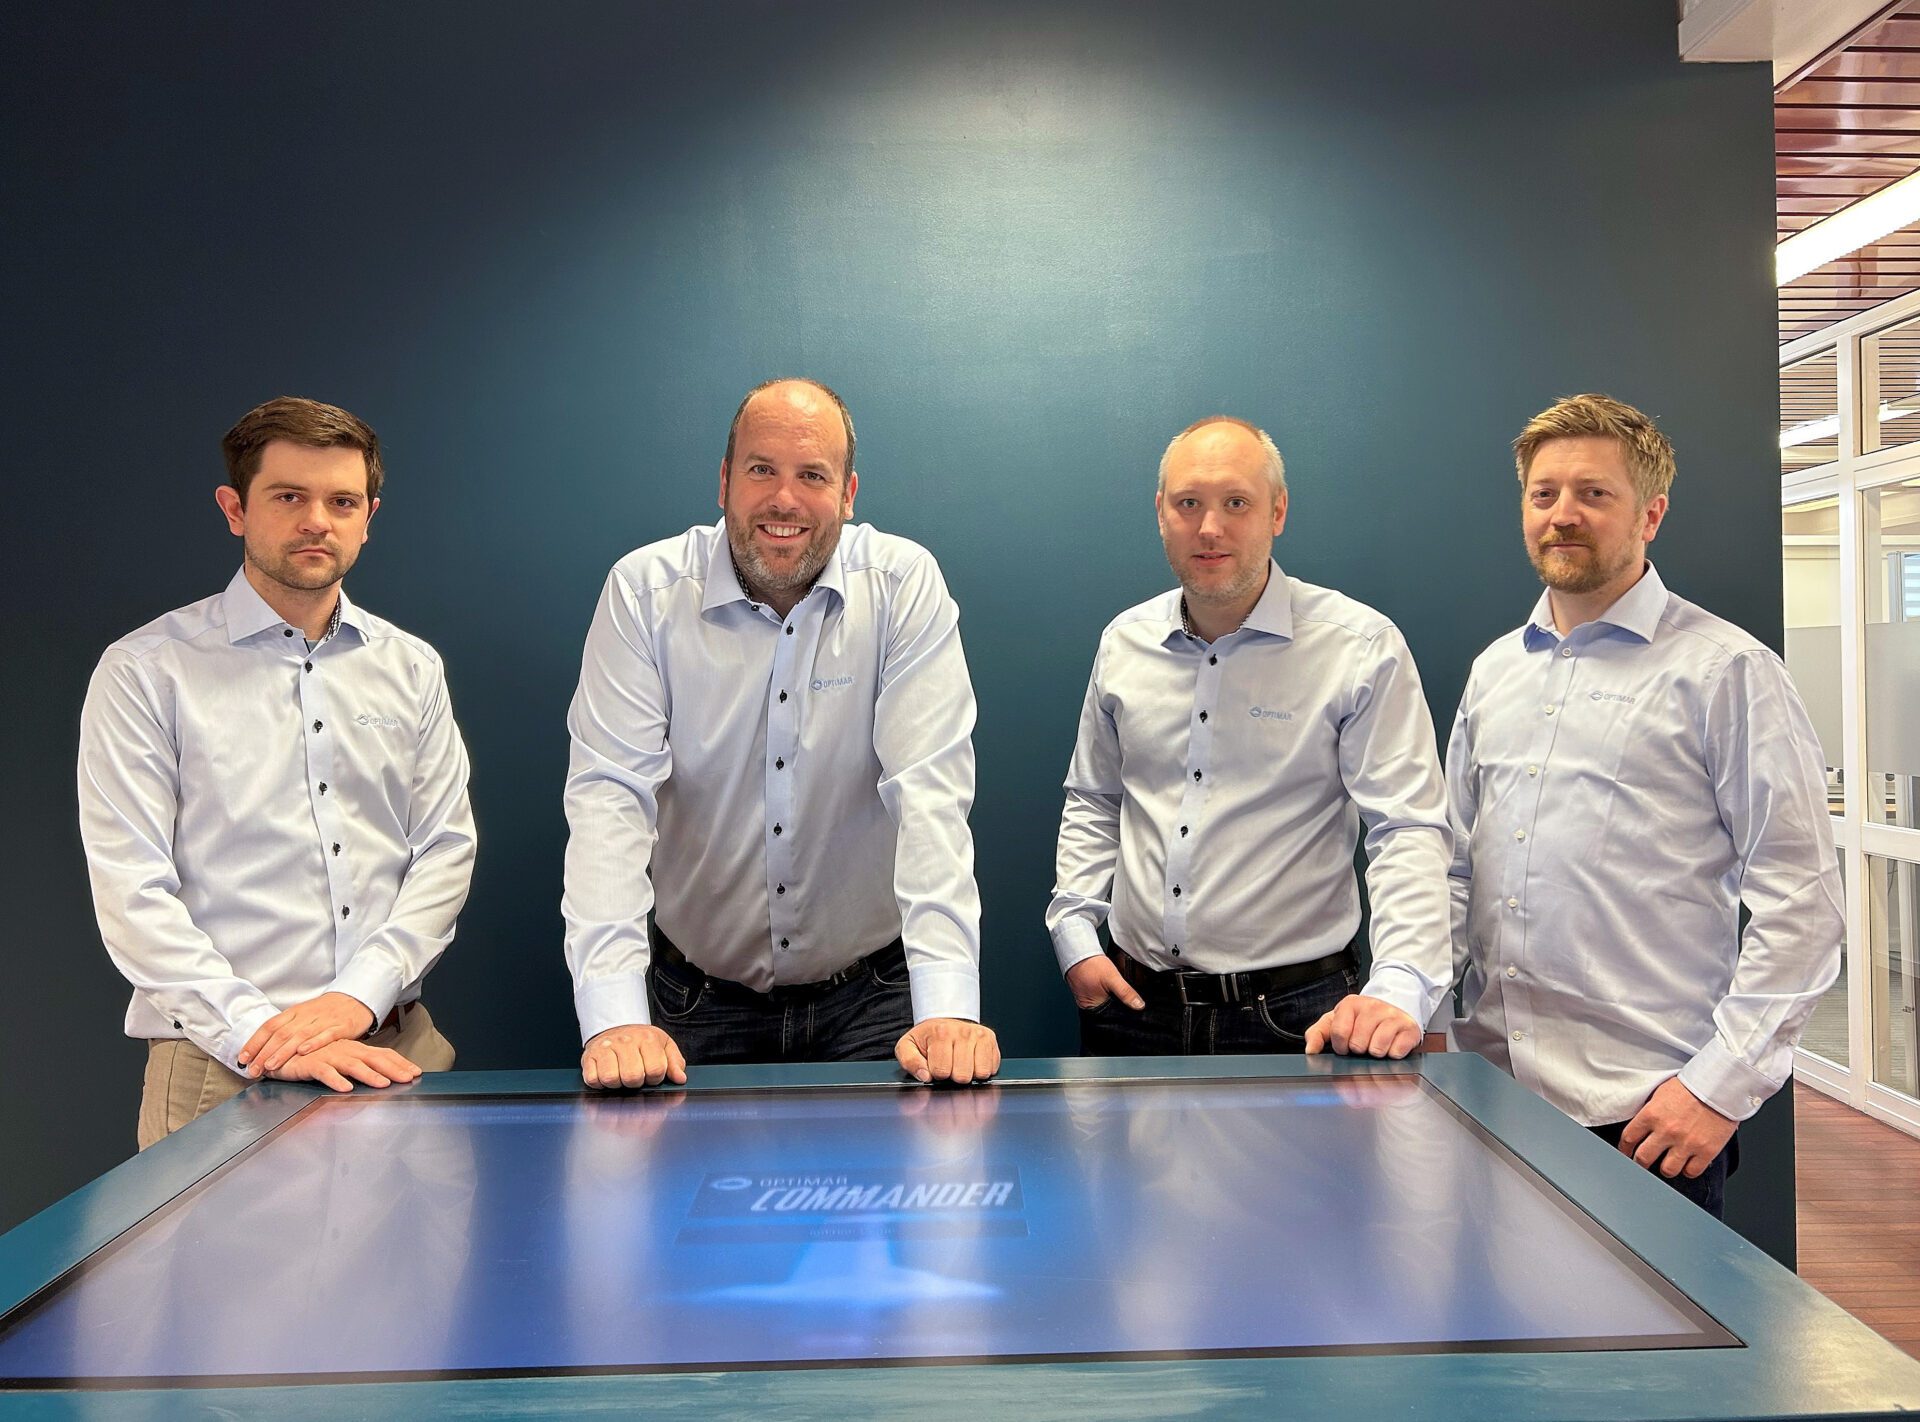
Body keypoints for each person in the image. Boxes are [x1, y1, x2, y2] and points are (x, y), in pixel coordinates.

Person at [1443, 393, 1842, 1218]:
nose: (1563, 514)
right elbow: (1454, 869)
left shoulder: (1727, 672)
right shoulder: (1495, 672)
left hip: (1645, 1119)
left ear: (1651, 514)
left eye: (1594, 493)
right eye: (1544, 493)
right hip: (1487, 1099)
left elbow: (1804, 904)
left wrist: (1720, 1087)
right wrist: (1419, 1007)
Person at [562, 378, 999, 1088]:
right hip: (694, 1003)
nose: (784, 500)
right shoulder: (643, 595)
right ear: (724, 482)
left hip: (873, 1001)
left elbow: (930, 794)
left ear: (848, 494)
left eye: (813, 476)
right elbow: (610, 801)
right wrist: (614, 1017)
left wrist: (948, 1006)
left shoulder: (902, 585)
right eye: (761, 469)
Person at [78, 396, 476, 1149]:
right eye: (289, 496)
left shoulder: (411, 667)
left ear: (368, 517)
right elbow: (132, 891)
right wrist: (267, 1037)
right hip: (222, 1068)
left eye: (341, 501)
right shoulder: (146, 672)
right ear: (235, 509)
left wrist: (358, 999)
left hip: (397, 1050)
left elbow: (444, 852)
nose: (316, 520)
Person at [1046, 416, 1453, 1058]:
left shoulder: (1360, 648)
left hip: (1296, 1019)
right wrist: (1074, 932)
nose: (1210, 528)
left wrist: (1401, 987)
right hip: (1130, 1010)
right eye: (1189, 504)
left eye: (1236, 502)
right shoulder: (1124, 641)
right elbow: (1095, 798)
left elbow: (1406, 828)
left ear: (1277, 511)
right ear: (1161, 512)